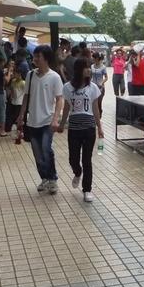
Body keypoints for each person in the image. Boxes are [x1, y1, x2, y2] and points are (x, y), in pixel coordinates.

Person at [17, 45, 64, 194]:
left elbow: (60, 99)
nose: (35, 59)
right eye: (35, 56)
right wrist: (21, 115)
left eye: (38, 56)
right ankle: (44, 178)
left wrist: (55, 119)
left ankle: (52, 179)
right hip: (32, 121)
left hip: (47, 121)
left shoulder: (54, 77)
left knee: (46, 149)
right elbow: (26, 97)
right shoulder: (30, 75)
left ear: (46, 59)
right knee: (37, 154)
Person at [59, 58, 105, 203]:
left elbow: (95, 108)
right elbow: (66, 107)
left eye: (89, 67)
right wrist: (61, 124)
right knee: (73, 159)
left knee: (87, 160)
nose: (89, 70)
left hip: (89, 128)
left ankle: (87, 190)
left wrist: (99, 127)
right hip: (74, 128)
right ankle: (77, 172)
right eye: (86, 67)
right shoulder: (67, 88)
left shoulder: (93, 87)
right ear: (79, 70)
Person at [5, 64, 27, 135]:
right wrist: (11, 96)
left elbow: (26, 94)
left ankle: (20, 131)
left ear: (19, 74)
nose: (13, 74)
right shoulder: (13, 81)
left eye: (15, 73)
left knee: (19, 118)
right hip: (13, 102)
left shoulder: (23, 83)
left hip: (20, 103)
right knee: (12, 117)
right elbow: (11, 89)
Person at [90, 53, 108, 117]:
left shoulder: (103, 67)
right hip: (93, 87)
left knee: (99, 102)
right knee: (93, 102)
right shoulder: (92, 66)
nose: (92, 59)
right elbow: (90, 76)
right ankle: (94, 116)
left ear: (97, 58)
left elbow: (106, 77)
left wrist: (102, 82)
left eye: (93, 58)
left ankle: (99, 115)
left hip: (100, 87)